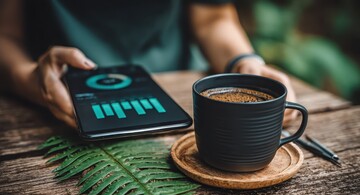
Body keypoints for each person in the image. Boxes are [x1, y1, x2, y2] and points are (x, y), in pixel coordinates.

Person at [0, 0, 296, 129]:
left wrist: (244, 61)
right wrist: (29, 78)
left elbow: (212, 19)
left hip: (180, 96)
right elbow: (6, 34)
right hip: (61, 99)